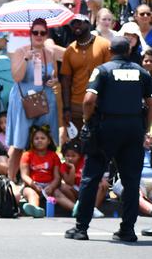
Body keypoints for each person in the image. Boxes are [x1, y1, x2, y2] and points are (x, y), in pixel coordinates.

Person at [65, 36, 152, 242]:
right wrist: (144, 128)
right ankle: (127, 230)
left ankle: (81, 228)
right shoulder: (142, 73)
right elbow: (150, 102)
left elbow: (89, 100)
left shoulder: (103, 70)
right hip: (133, 129)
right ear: (130, 51)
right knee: (131, 182)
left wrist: (87, 121)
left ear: (110, 50)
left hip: (106, 128)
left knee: (91, 177)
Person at [7, 18, 60, 181]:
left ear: (46, 34)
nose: (38, 35)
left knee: (45, 140)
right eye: (35, 32)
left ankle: (42, 178)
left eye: (42, 32)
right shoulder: (20, 51)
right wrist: (26, 59)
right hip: (24, 101)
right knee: (19, 143)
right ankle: (11, 180)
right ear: (30, 34)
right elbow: (16, 77)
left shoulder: (50, 54)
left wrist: (54, 81)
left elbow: (54, 77)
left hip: (45, 100)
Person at [61, 14, 112, 129]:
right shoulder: (69, 50)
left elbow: (111, 74)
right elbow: (66, 81)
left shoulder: (104, 44)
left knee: (101, 143)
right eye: (72, 24)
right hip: (76, 106)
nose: (75, 26)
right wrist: (67, 108)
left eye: (79, 22)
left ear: (88, 24)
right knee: (77, 143)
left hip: (100, 104)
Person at [19, 125, 61, 218]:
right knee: (31, 193)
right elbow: (24, 175)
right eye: (36, 138)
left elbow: (57, 176)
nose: (39, 140)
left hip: (49, 184)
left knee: (58, 194)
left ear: (49, 141)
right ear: (32, 142)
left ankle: (75, 208)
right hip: (32, 184)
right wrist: (33, 184)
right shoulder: (27, 155)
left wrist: (52, 186)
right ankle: (35, 209)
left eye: (43, 138)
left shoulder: (54, 156)